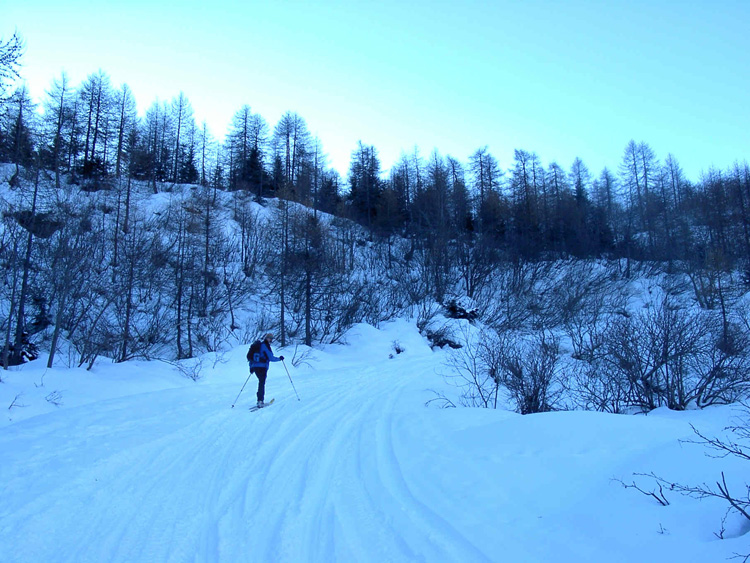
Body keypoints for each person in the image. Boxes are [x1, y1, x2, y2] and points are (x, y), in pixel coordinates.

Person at [248, 333, 284, 408]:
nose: (270, 340)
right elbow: (271, 358)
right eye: (270, 338)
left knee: (261, 382)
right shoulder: (265, 346)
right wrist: (279, 359)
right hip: (262, 367)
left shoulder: (258, 345)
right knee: (261, 383)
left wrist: (251, 367)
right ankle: (260, 401)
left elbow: (251, 357)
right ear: (267, 338)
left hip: (255, 367)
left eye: (271, 338)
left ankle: (259, 400)